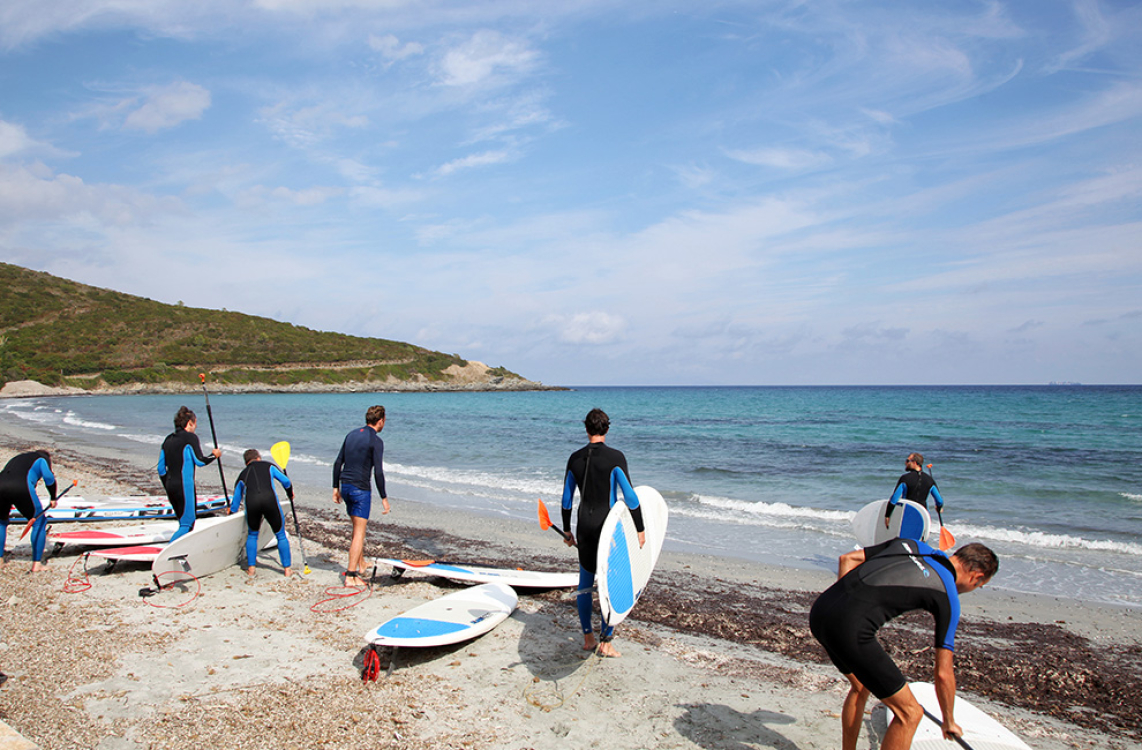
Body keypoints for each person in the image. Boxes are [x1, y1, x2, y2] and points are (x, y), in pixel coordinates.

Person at [810, 540, 999, 750]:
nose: (973, 589)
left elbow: (848, 559)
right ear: (976, 577)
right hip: (849, 630)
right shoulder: (948, 595)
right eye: (978, 586)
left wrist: (849, 607)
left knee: (861, 686)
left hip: (820, 611)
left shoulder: (912, 544)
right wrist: (948, 720)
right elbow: (943, 673)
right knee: (909, 714)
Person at [561, 408, 645, 658]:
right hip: (608, 528)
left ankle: (587, 637)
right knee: (613, 582)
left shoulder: (574, 458)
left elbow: (567, 499)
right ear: (607, 429)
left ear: (586, 429)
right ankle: (606, 641)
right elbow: (630, 497)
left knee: (585, 584)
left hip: (584, 527)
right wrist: (640, 529)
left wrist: (567, 530)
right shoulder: (615, 458)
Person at [332, 405, 390, 586]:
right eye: (384, 421)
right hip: (360, 490)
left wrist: (335, 487)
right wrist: (384, 498)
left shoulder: (351, 435)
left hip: (346, 486)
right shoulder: (376, 441)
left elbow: (338, 462)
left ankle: (362, 563)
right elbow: (378, 472)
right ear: (380, 421)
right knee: (359, 533)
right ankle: (350, 575)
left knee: (357, 527)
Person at [158, 406, 220, 543]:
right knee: (188, 524)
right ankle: (167, 555)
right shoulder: (190, 438)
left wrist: (168, 484)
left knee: (182, 522)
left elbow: (161, 469)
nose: (196, 427)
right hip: (184, 486)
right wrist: (214, 455)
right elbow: (200, 461)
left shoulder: (167, 440)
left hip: (170, 484)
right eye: (195, 423)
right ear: (190, 423)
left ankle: (181, 551)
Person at [230, 449, 294, 578]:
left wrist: (232, 511)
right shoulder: (268, 466)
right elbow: (286, 482)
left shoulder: (243, 474)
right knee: (280, 534)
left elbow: (237, 497)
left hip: (252, 503)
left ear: (246, 462)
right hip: (270, 501)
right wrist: (289, 493)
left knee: (253, 535)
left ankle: (252, 569)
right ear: (258, 457)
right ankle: (287, 569)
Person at [0, 450, 58, 572]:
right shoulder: (42, 459)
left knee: (1, 522)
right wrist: (53, 497)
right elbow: (49, 477)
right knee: (39, 522)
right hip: (21, 486)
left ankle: (0, 561)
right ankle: (37, 564)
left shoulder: (20, 457)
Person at [886, 452, 945, 517]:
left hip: (907, 514)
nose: (906, 463)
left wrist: (887, 515)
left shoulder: (905, 478)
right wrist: (939, 507)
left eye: (908, 461)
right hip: (924, 516)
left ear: (915, 463)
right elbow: (939, 500)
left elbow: (894, 499)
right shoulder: (929, 480)